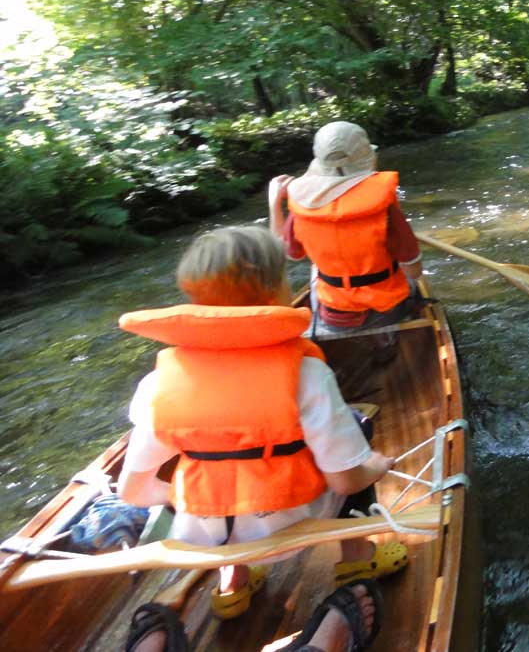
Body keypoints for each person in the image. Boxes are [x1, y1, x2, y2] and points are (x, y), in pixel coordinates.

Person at [117, 226, 408, 650]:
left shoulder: (158, 383)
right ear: (276, 292)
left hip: (207, 539)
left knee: (198, 464)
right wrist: (376, 465)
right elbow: (346, 481)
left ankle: (233, 584)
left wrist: (189, 496)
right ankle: (357, 562)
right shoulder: (308, 373)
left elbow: (133, 490)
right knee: (358, 430)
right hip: (295, 525)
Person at [268, 121, 423, 337]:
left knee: (316, 271)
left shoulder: (302, 206)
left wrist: (275, 203)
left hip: (332, 314)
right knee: (414, 284)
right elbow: (414, 271)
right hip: (386, 310)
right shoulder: (384, 207)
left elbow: (287, 253)